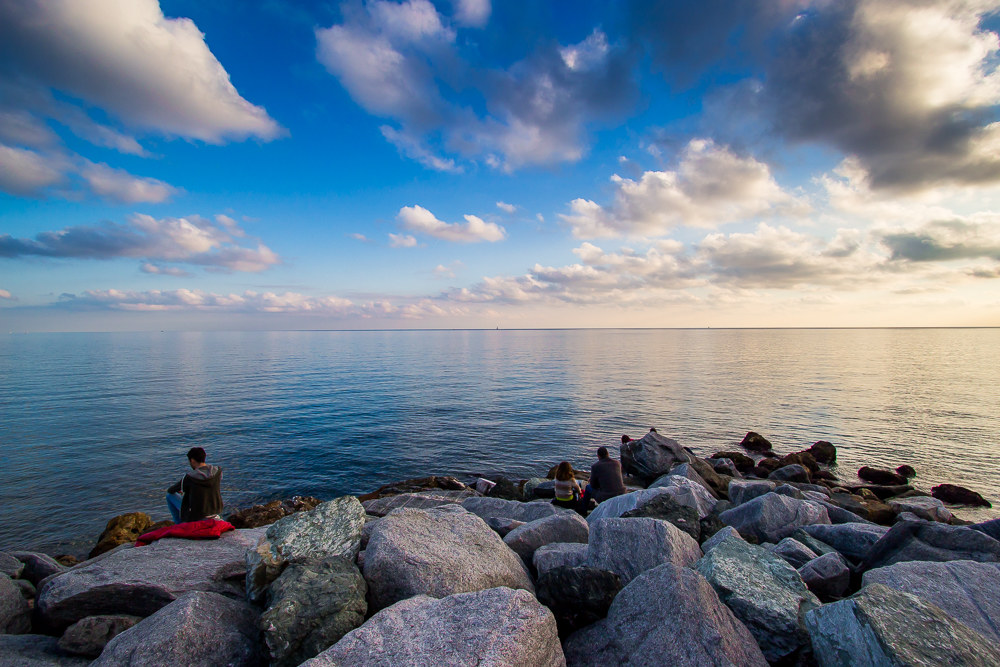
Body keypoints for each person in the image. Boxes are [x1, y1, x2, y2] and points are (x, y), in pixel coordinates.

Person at [166, 447, 223, 523]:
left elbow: (171, 490)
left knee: (169, 495)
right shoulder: (218, 472)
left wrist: (183, 489)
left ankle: (179, 525)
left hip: (196, 515)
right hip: (215, 511)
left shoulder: (189, 477)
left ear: (192, 460)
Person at [582, 446, 627, 511]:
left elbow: (593, 485)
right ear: (608, 454)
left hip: (606, 497)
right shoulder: (617, 463)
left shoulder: (595, 466)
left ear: (598, 456)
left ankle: (583, 509)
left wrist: (592, 480)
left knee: (588, 487)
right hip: (622, 493)